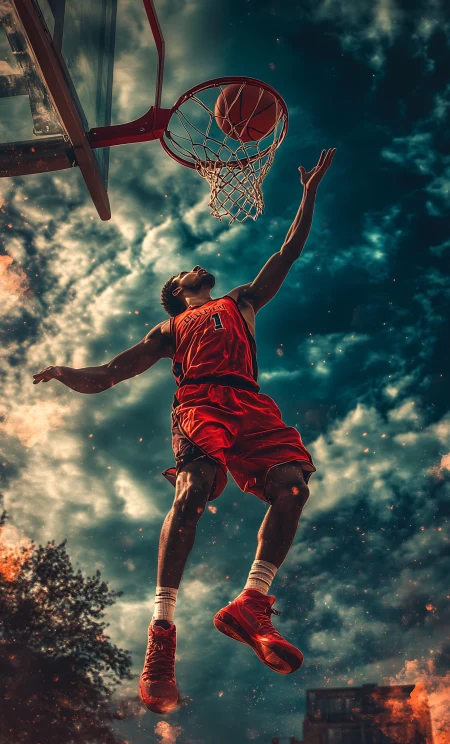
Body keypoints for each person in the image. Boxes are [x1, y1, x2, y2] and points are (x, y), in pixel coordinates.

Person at [33, 148, 336, 715]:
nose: (195, 266)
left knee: (293, 486)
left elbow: (287, 253)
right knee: (193, 492)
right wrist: (66, 372)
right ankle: (162, 630)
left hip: (250, 402)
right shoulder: (170, 326)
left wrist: (309, 192)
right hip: (201, 401)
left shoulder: (241, 301)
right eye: (184, 271)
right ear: (177, 289)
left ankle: (251, 602)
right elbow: (112, 372)